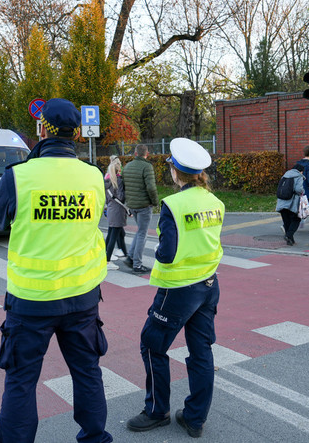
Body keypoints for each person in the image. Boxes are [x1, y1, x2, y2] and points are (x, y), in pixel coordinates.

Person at [0, 98, 113, 443]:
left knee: (21, 381)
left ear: (42, 129)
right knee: (88, 373)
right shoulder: (93, 176)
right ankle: (95, 438)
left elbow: (2, 217)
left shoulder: (18, 176)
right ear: (76, 133)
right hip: (82, 298)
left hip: (31, 301)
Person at [126, 138, 224, 439]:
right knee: (200, 351)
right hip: (209, 284)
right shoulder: (215, 202)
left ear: (175, 172)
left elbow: (167, 253)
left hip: (178, 290)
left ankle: (157, 411)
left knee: (152, 345)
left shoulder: (174, 205)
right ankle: (195, 418)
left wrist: (157, 254)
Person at [122, 144, 158, 274]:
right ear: (146, 154)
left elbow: (124, 186)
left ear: (135, 153)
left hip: (132, 204)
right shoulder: (147, 166)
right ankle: (137, 264)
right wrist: (155, 202)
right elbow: (151, 187)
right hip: (144, 205)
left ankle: (131, 257)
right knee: (143, 233)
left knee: (140, 231)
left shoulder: (127, 166)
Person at [104, 155, 128, 270]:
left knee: (111, 233)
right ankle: (107, 261)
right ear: (119, 170)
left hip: (111, 209)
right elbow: (121, 197)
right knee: (113, 236)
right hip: (118, 211)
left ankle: (105, 256)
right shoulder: (118, 181)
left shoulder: (107, 181)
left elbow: (107, 198)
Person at [276, 163, 306, 246]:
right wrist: (303, 191)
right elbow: (298, 189)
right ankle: (288, 236)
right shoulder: (298, 176)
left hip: (281, 202)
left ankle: (290, 241)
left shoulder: (285, 175)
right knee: (296, 219)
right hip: (291, 203)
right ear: (301, 171)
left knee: (287, 222)